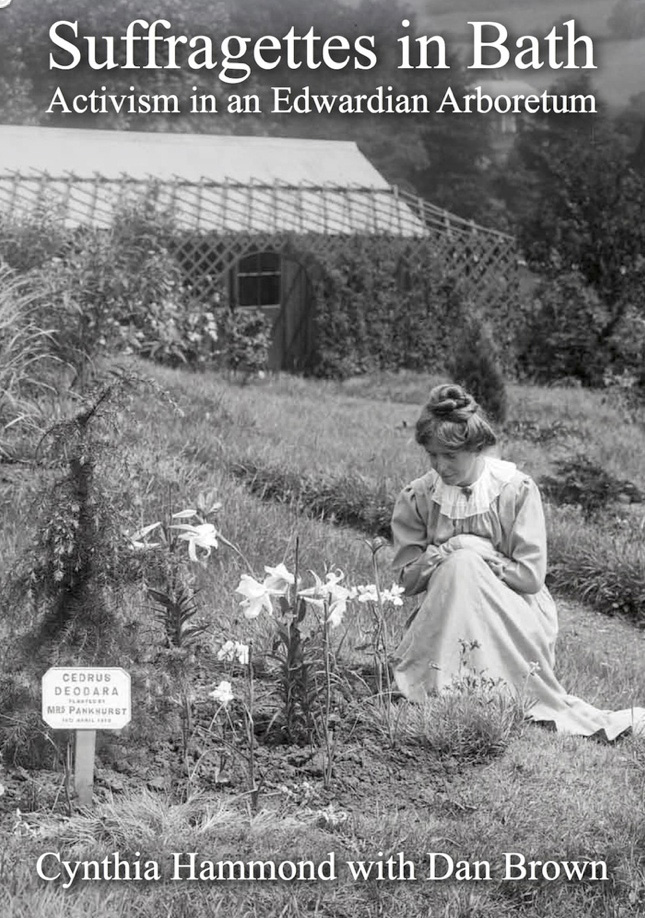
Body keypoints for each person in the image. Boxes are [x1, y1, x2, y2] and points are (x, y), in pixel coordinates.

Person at [390, 383, 645, 739]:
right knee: (460, 562)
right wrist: (447, 550)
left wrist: (479, 557)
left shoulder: (515, 490)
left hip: (514, 609)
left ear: (476, 449)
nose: (440, 466)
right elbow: (405, 581)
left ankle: (485, 684)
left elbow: (530, 577)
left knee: (465, 562)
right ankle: (445, 680)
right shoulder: (420, 495)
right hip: (447, 615)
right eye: (433, 456)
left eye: (451, 456)